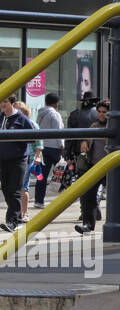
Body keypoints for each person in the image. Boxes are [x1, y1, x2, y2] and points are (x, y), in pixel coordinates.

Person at [0, 96, 37, 233]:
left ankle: (12, 221)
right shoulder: (1, 117)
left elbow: (33, 137)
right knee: (5, 189)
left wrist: (17, 140)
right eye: (0, 102)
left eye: (5, 102)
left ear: (12, 104)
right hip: (3, 160)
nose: (2, 105)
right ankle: (17, 215)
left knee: (15, 190)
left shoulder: (21, 118)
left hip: (18, 160)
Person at [75, 99, 111, 234]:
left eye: (105, 112)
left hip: (111, 168)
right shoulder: (94, 126)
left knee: (112, 198)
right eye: (99, 112)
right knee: (87, 195)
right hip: (95, 167)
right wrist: (84, 142)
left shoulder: (117, 127)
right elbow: (86, 139)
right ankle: (88, 225)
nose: (101, 115)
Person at [33, 92, 63, 210]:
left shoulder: (40, 113)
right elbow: (59, 131)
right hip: (54, 148)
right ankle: (65, 198)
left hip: (43, 147)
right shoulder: (55, 114)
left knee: (42, 176)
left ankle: (38, 201)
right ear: (57, 103)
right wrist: (62, 146)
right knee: (62, 173)